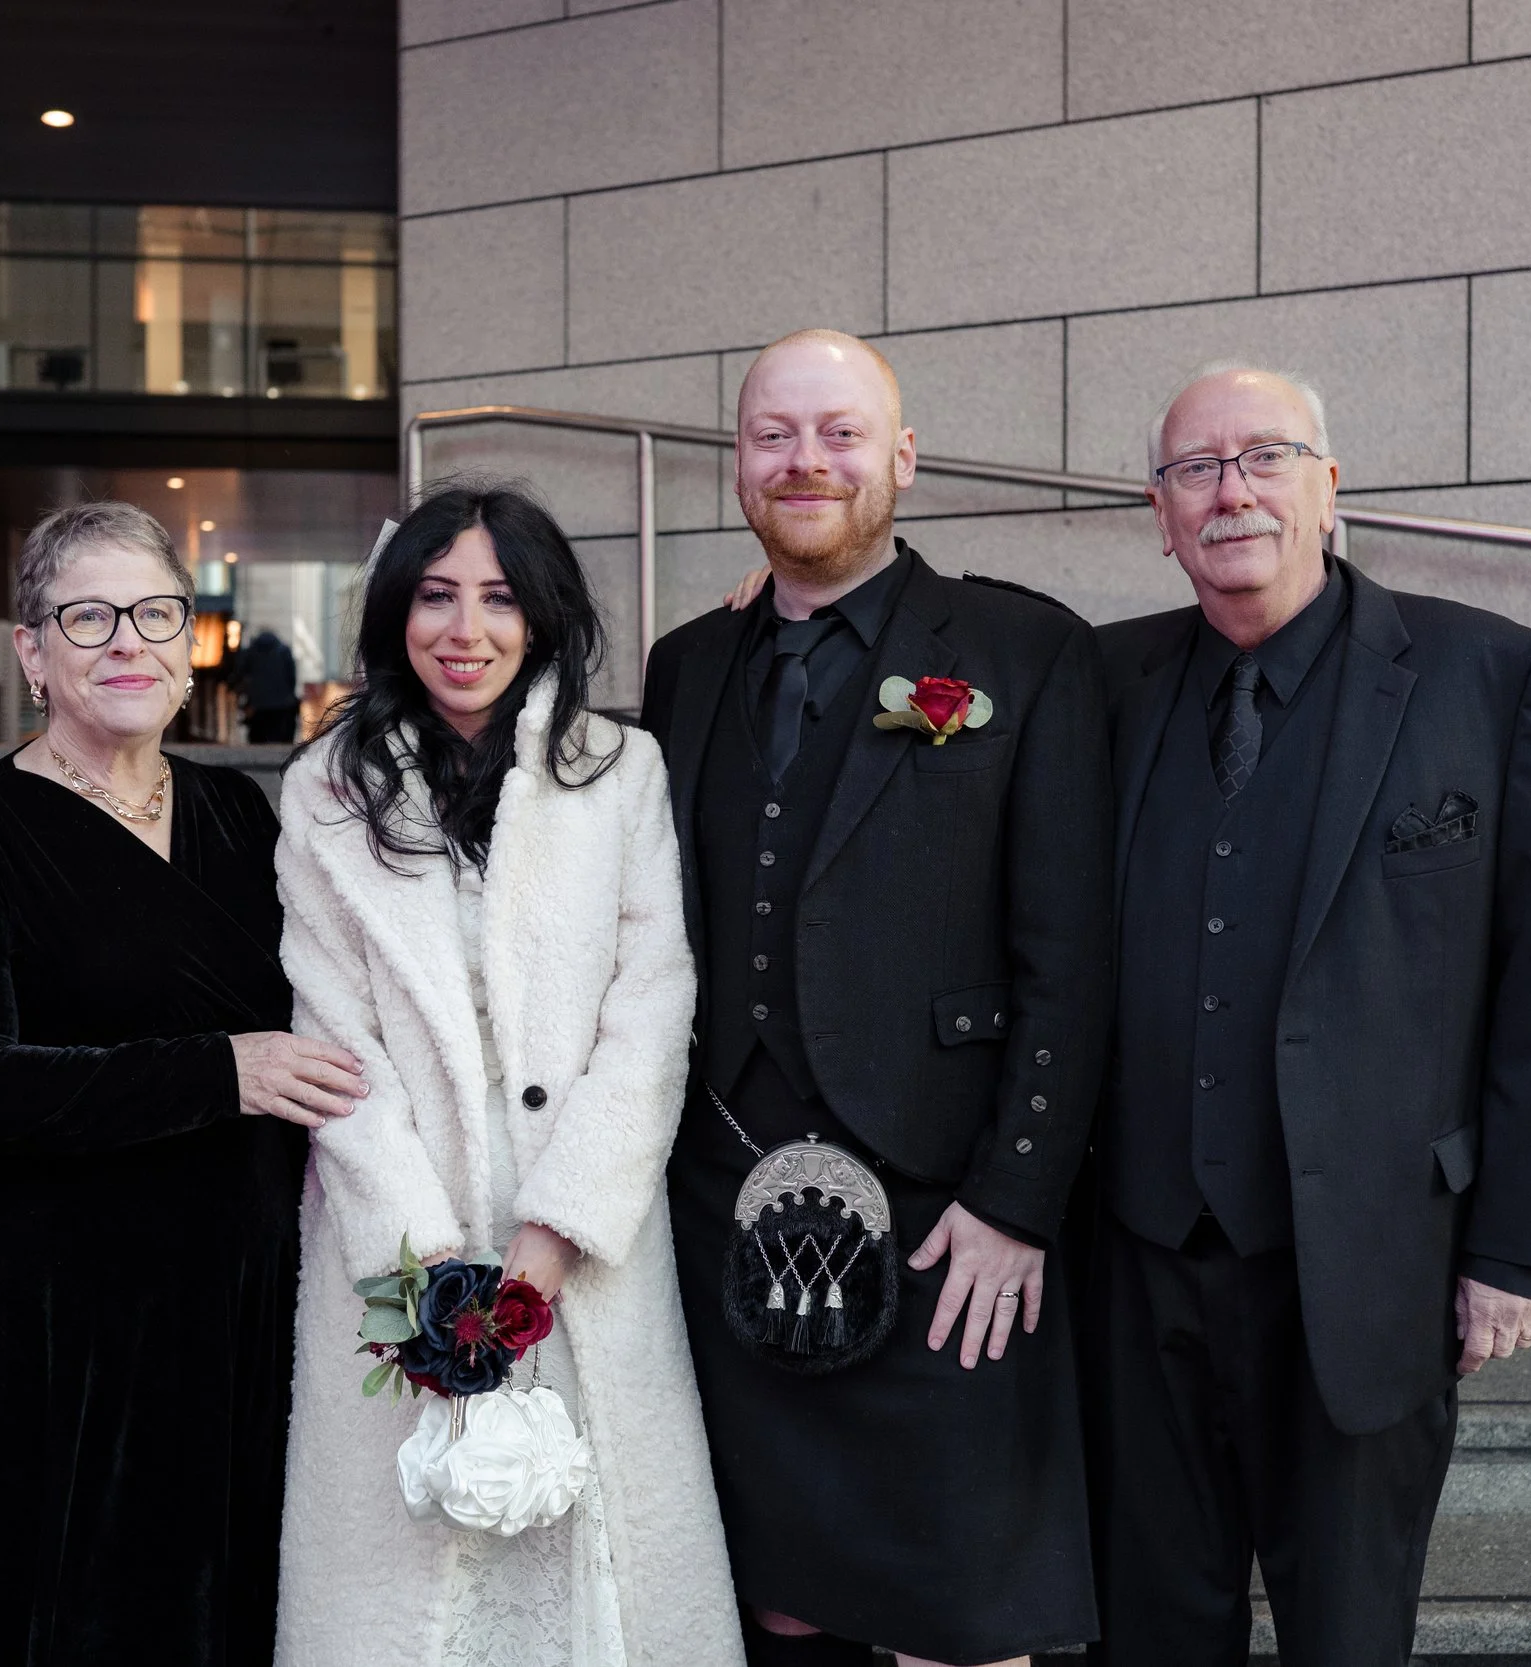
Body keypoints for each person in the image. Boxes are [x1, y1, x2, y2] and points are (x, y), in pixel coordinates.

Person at [1087, 364, 1531, 1664]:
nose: (1232, 489)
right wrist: (781, 600)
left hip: (1372, 1269)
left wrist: (1520, 1246)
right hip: (1140, 1275)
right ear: (1160, 511)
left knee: (1350, 1639)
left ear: (1329, 486)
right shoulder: (1102, 681)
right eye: (1196, 468)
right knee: (1150, 1634)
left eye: (1264, 455)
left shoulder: (1490, 675)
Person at [641, 330, 1115, 1667]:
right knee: (777, 1602)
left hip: (946, 1221)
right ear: (738, 465)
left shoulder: (1025, 649)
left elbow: (1070, 956)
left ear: (901, 458)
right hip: (722, 1206)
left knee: (960, 1620)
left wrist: (1016, 1200)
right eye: (774, 435)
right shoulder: (689, 665)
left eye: (840, 433)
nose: (807, 461)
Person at [0, 501, 369, 1665]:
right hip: (38, 1310)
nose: (127, 640)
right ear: (31, 652)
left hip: (221, 1294)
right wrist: (218, 1069)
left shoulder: (241, 811)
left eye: (154, 612)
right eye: (87, 615)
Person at [272, 484, 744, 1667]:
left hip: (580, 1240)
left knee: (601, 1560)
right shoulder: (326, 785)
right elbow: (336, 1046)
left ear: (540, 616)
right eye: (435, 596)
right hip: (397, 1236)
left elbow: (653, 1002)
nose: (464, 628)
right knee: (405, 1578)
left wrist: (551, 1235)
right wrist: (429, 1281)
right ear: (396, 613)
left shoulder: (616, 770)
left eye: (497, 597)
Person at [238, 626, 302, 745]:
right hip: (282, 705)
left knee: (259, 742)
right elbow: (292, 677)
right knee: (281, 741)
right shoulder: (284, 651)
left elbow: (242, 674)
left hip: (258, 705)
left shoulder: (250, 652)